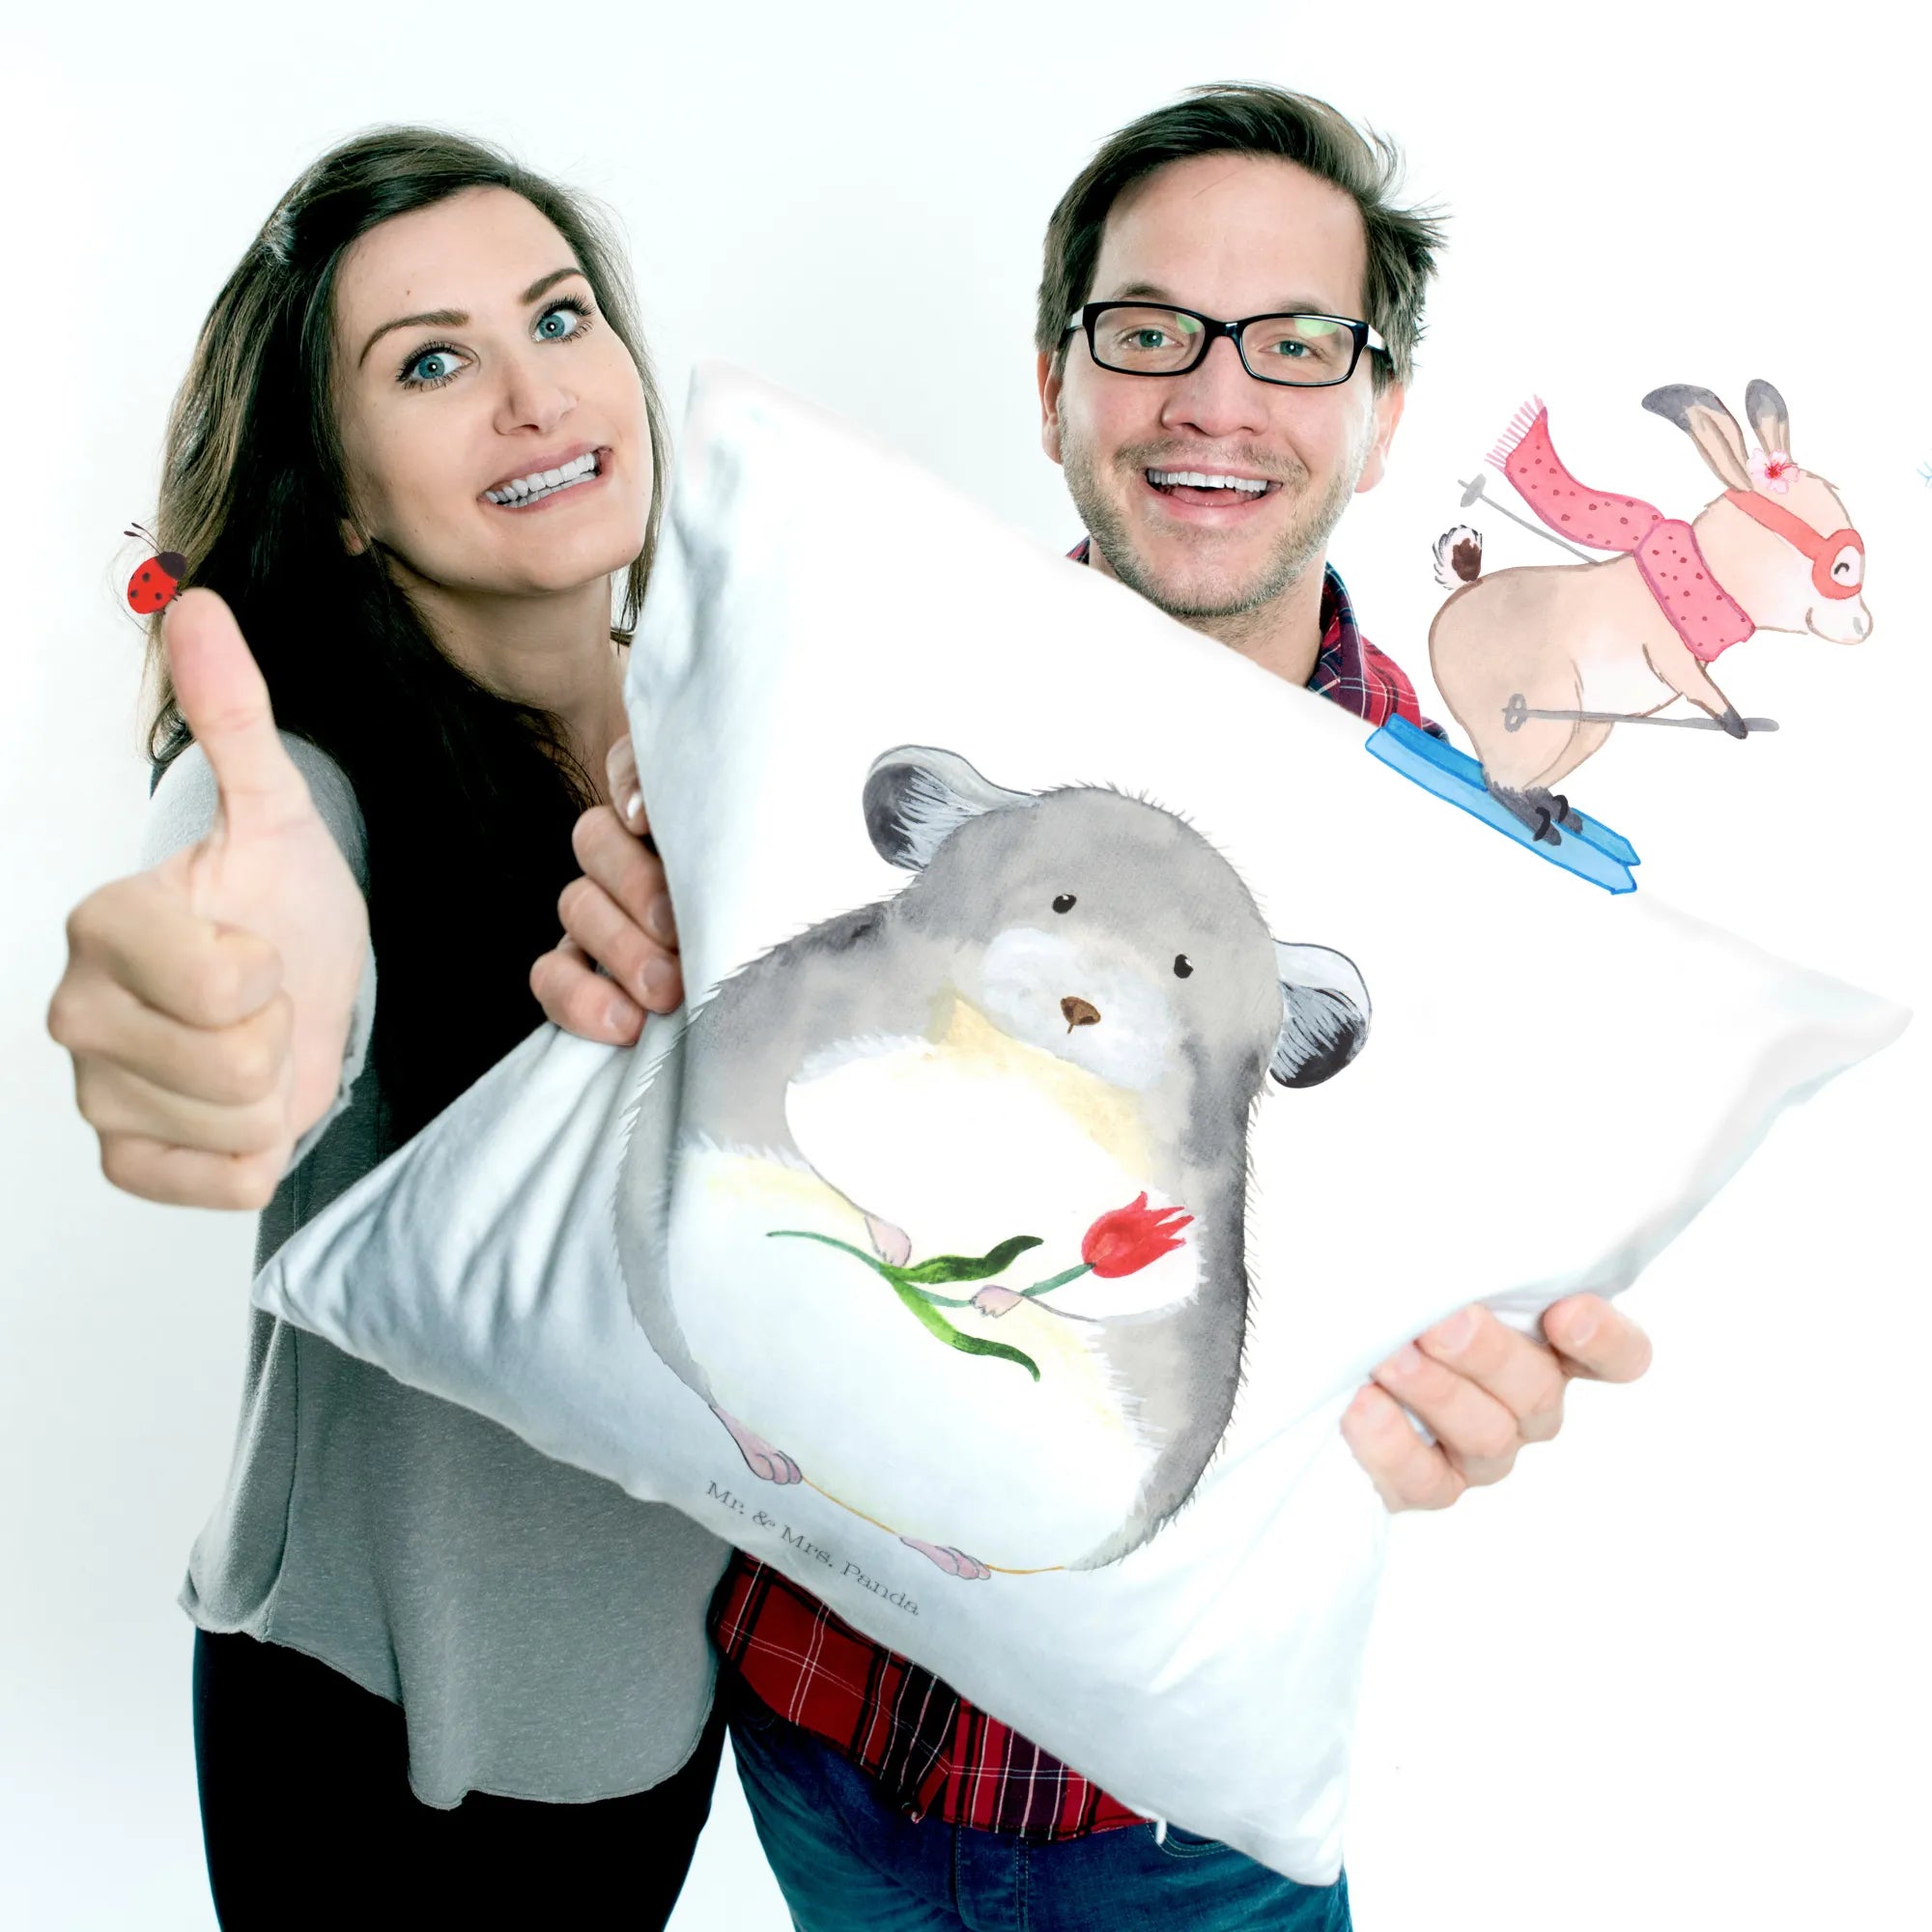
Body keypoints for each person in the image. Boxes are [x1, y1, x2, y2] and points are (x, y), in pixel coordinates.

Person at [533, 84, 1655, 1929]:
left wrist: (1476, 1381)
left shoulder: (1467, 887)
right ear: (1054, 383)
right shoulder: (830, 700)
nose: (1216, 398)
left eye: (1296, 343)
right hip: (809, 1738)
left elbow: (1426, 1312)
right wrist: (625, 970)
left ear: (1380, 418)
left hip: (1180, 1829)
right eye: (1150, 333)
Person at [45, 130, 733, 1927]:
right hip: (379, 1737)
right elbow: (253, 901)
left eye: (559, 318)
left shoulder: (736, 742)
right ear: (343, 496)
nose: (533, 395)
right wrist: (220, 1004)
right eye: (431, 363)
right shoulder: (308, 781)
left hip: (662, 1704)